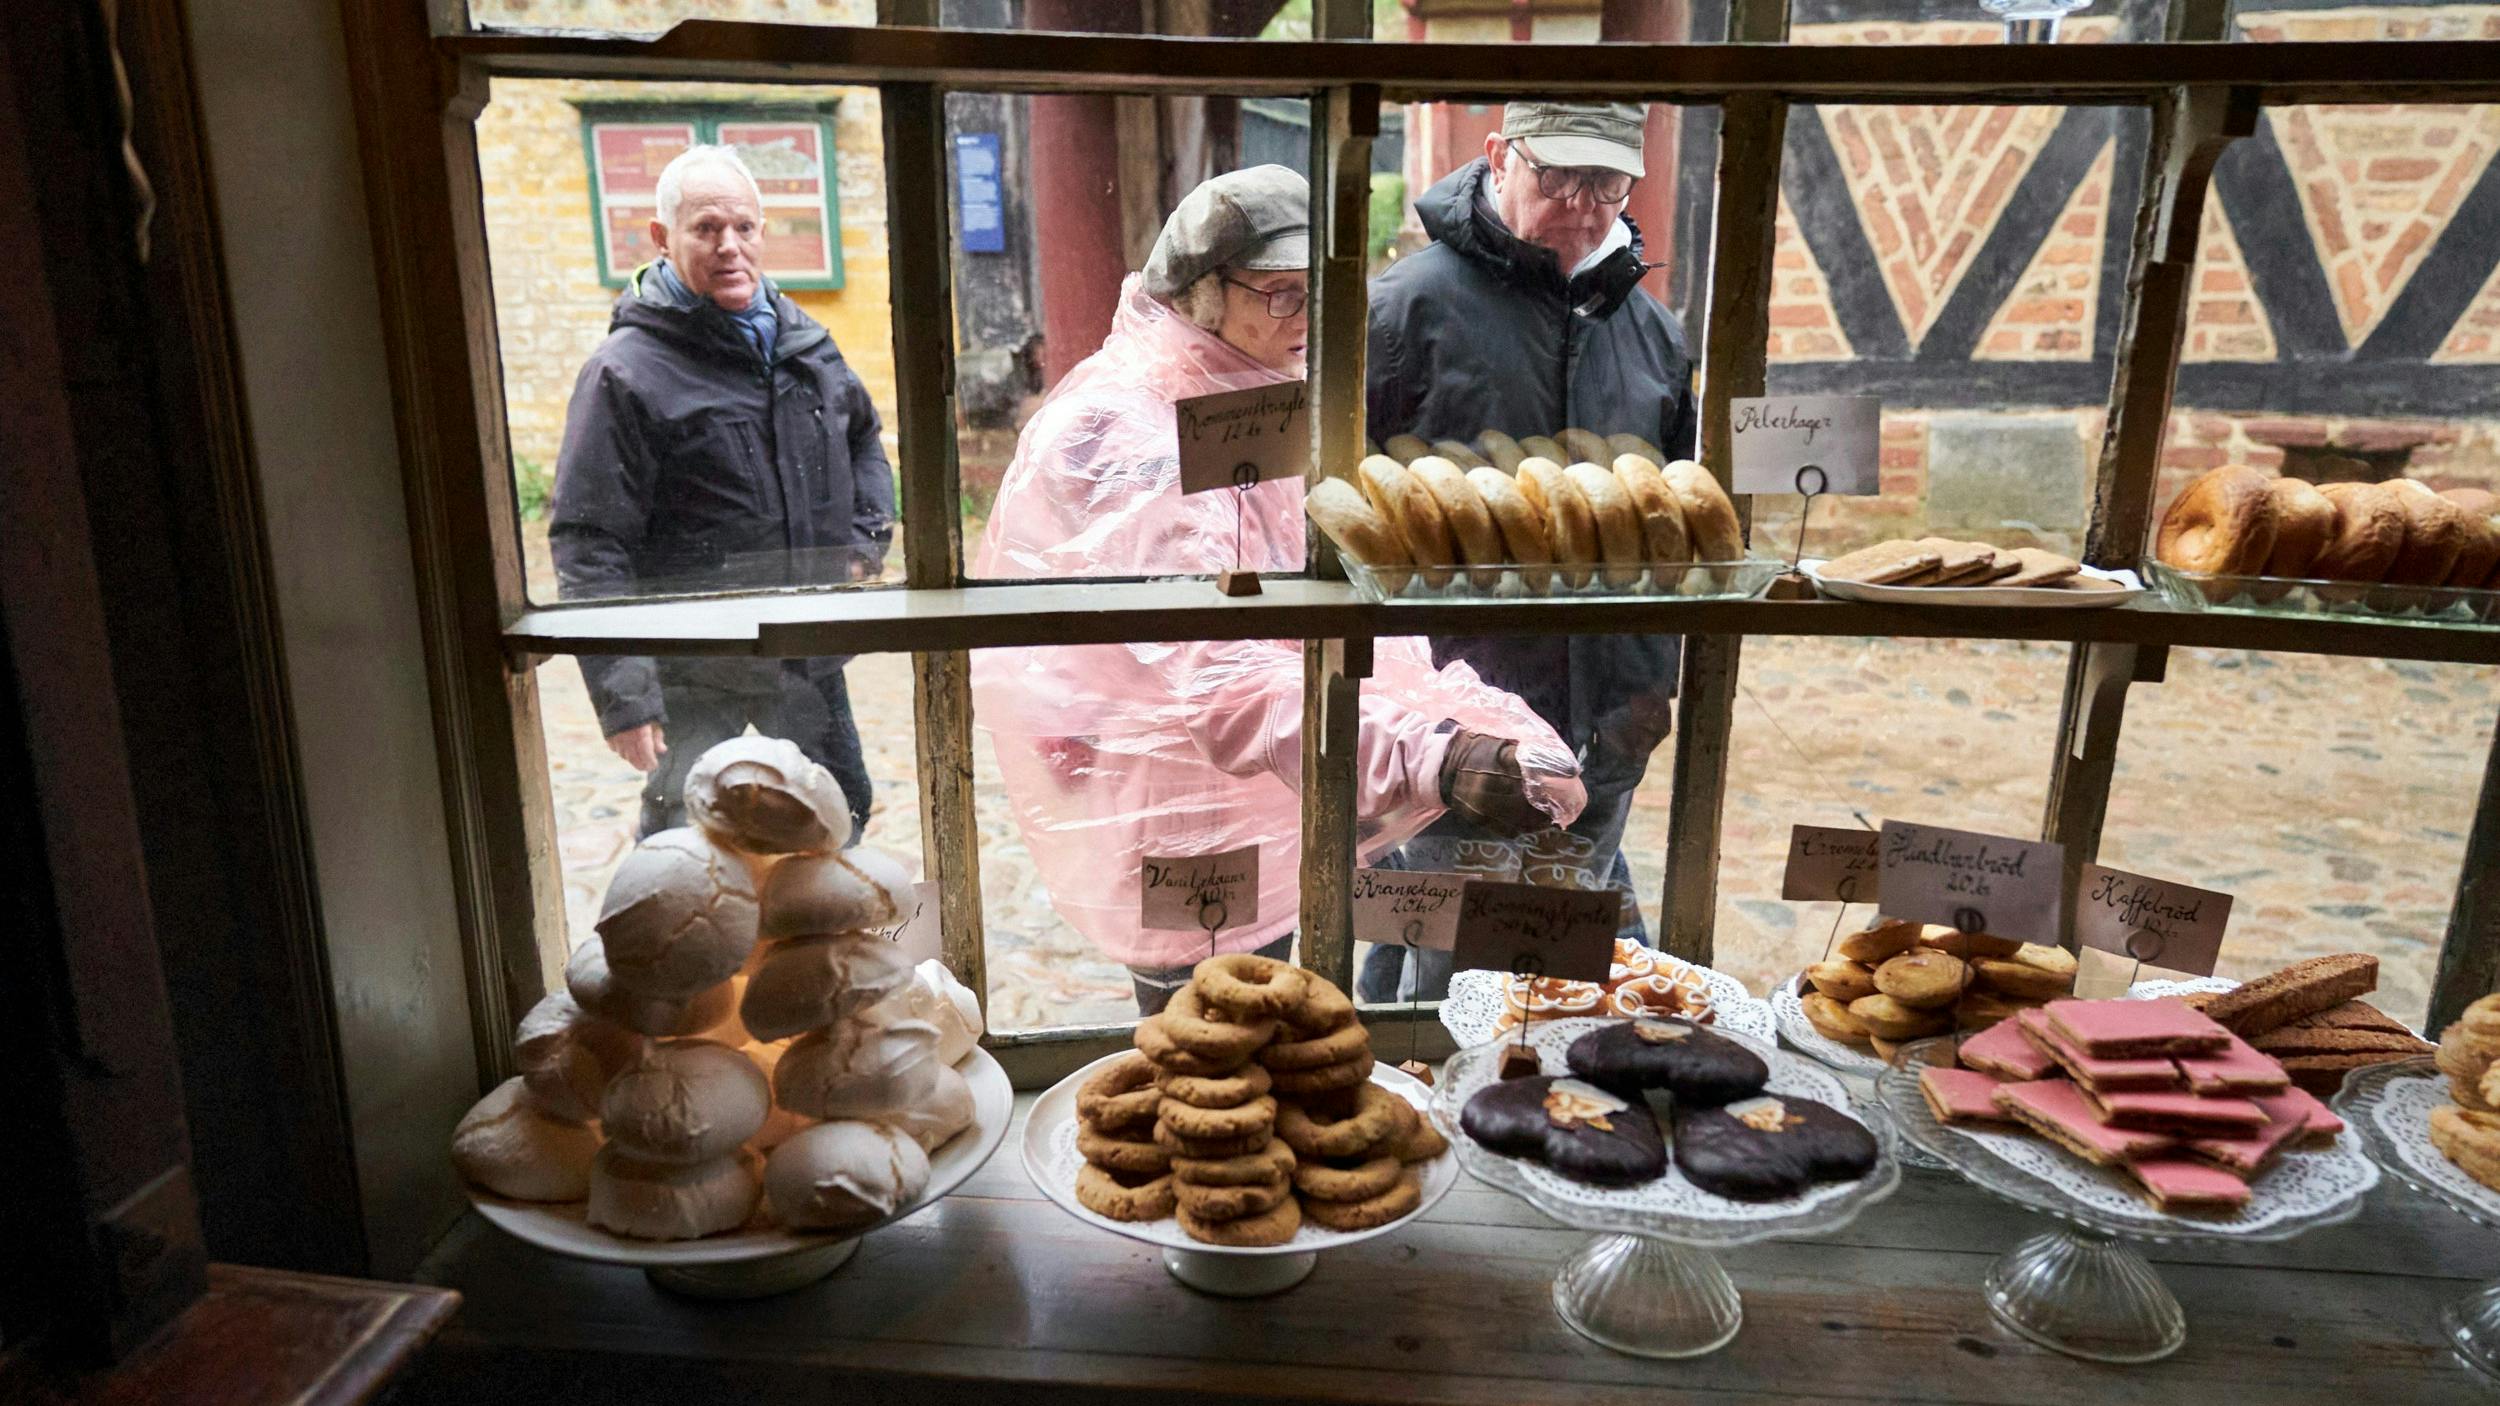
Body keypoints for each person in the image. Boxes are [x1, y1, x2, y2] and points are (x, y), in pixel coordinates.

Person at [970, 165, 1585, 1016]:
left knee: (1266, 1017)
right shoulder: (1131, 430)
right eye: (1281, 294)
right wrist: (1434, 755)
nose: (1305, 320)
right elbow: (1216, 676)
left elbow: (1312, 600)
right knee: (1203, 1040)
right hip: (1177, 816)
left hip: (1262, 790)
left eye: (1318, 295)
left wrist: (1475, 719)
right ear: (1200, 291)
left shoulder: (1254, 396)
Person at [1359, 102, 1699, 1002]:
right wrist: (1403, 714)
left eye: (1609, 182)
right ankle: (1421, 1078)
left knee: (1564, 943)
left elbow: (1674, 528)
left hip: (1612, 710)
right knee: (1438, 935)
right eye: (1560, 177)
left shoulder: (1656, 333)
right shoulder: (1402, 311)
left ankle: (1545, 1104)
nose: (1585, 204)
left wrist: (1649, 681)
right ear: (1498, 157)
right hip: (1460, 719)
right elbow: (1344, 523)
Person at [550, 145, 891, 840]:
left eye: (745, 228)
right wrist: (625, 697)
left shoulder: (806, 345)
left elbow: (863, 439)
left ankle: (825, 952)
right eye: (706, 229)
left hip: (805, 655)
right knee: (689, 845)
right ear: (662, 239)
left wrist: (863, 541)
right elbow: (590, 539)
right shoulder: (625, 373)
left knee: (837, 818)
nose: (729, 246)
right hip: (695, 669)